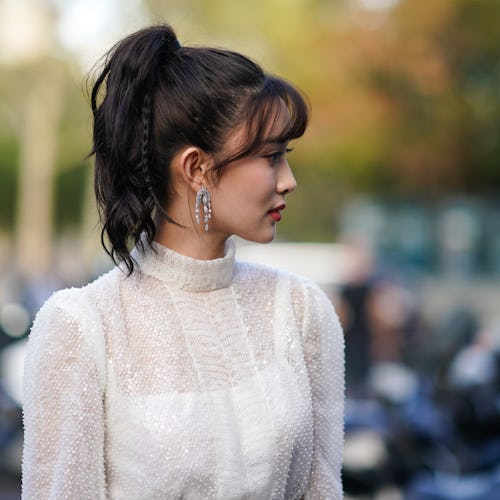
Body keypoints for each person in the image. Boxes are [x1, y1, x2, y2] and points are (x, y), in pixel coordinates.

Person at [22, 24, 344, 499]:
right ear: (196, 168)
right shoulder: (82, 326)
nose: (288, 180)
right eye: (272, 156)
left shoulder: (299, 310)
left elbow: (322, 489)